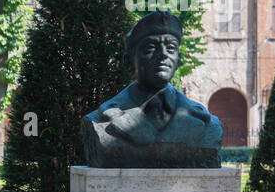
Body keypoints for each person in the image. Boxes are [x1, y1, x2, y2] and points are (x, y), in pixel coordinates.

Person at [82, 11, 222, 167]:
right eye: (150, 48)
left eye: (170, 48)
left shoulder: (209, 124)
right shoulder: (98, 120)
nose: (163, 54)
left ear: (178, 60)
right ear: (128, 61)